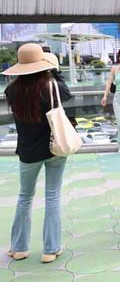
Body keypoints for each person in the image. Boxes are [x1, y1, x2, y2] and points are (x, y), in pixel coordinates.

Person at [3, 44, 71, 263]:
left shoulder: (11, 91)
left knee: (24, 197)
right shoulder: (52, 87)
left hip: (28, 151)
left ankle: (19, 247)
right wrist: (54, 67)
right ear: (43, 65)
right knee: (52, 196)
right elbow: (66, 92)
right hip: (54, 148)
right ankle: (50, 249)